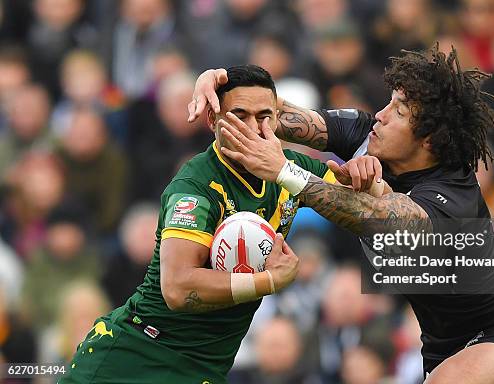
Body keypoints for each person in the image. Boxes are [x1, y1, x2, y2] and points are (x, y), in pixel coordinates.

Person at [189, 45, 494, 384]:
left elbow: (379, 216)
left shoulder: (452, 192)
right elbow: (274, 113)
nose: (379, 116)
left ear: (427, 139)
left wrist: (284, 170)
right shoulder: (368, 133)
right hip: (443, 347)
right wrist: (222, 84)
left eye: (398, 111)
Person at [59, 64, 338, 384]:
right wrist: (269, 281)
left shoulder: (289, 170)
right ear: (212, 120)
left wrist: (369, 179)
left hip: (203, 369)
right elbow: (178, 288)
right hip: (137, 356)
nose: (254, 128)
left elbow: (354, 201)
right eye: (240, 115)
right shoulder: (195, 186)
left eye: (264, 116)